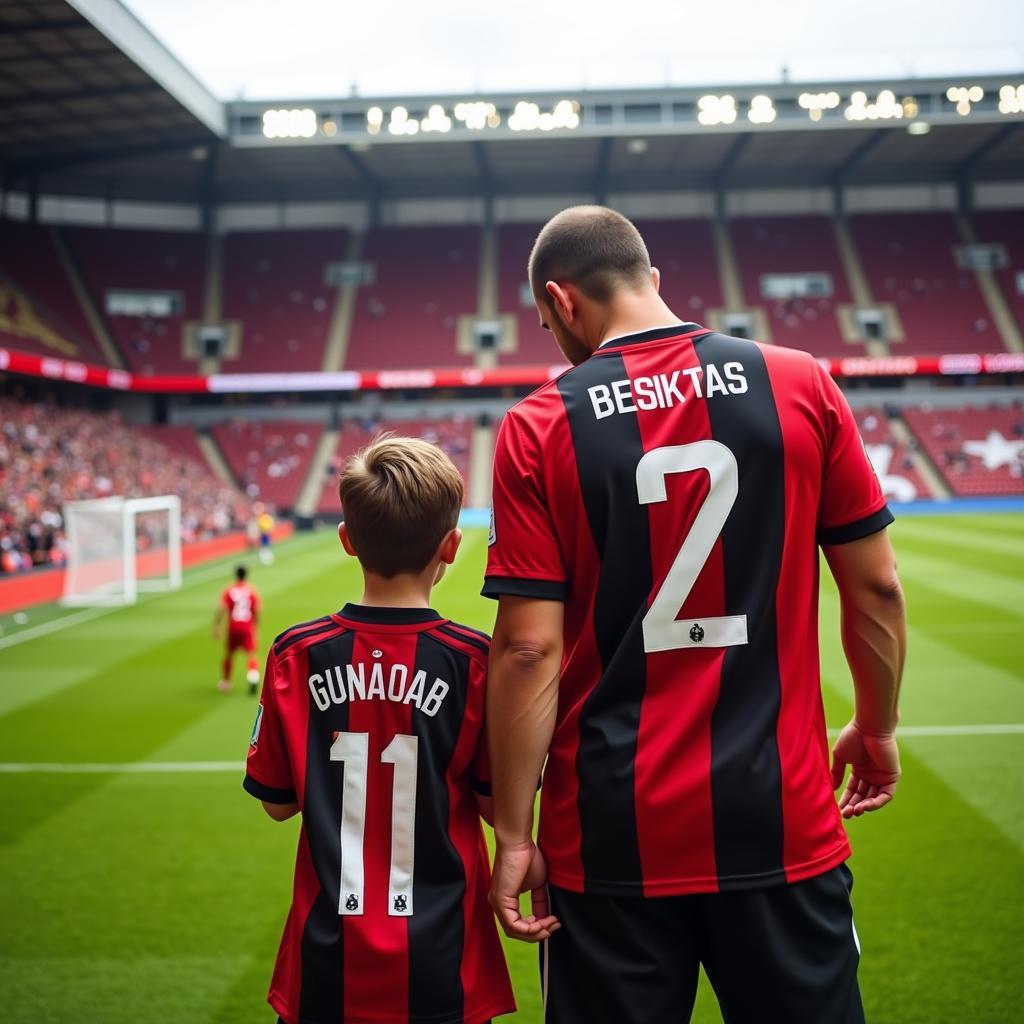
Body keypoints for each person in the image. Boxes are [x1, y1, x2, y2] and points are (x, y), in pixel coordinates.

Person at [483, 206, 907, 1024]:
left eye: (546, 323)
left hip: (609, 831)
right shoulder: (800, 381)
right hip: (780, 815)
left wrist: (514, 833)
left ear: (562, 301)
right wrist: (877, 725)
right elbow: (877, 588)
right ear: (653, 280)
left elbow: (529, 651)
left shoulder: (540, 424)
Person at [243, 437, 516, 1024]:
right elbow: (499, 806)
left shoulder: (297, 654)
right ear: (451, 545)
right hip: (447, 958)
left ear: (346, 540)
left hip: (325, 958)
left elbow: (276, 805)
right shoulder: (474, 661)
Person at [214, 565, 261, 694]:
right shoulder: (251, 591)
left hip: (233, 627)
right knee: (251, 654)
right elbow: (257, 610)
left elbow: (221, 609)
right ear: (246, 575)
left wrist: (217, 626)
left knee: (229, 654)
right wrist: (256, 627)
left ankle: (226, 682)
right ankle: (253, 677)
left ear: (236, 575)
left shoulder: (229, 591)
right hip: (247, 627)